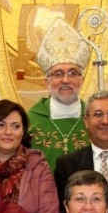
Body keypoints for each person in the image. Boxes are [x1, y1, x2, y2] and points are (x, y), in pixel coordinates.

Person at [27, 17, 91, 171]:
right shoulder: (28, 122)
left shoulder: (97, 119)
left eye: (72, 73)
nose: (66, 80)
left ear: (81, 80)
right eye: (58, 74)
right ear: (46, 82)